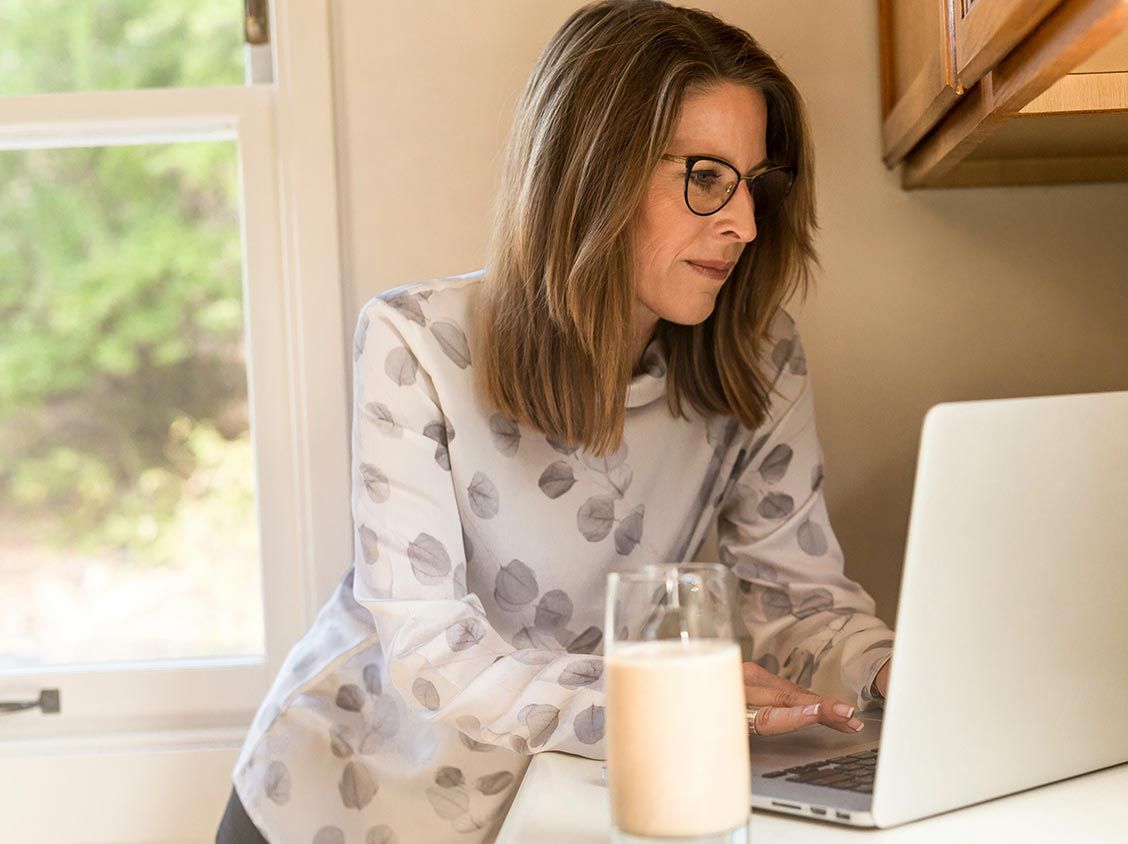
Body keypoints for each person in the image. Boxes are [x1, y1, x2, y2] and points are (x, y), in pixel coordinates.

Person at [217, 2, 895, 841]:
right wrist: (665, 699)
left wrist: (887, 668)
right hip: (340, 803)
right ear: (593, 172)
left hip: (549, 809)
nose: (745, 225)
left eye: (753, 184)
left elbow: (795, 604)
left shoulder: (759, 359)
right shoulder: (415, 344)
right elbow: (431, 655)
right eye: (707, 178)